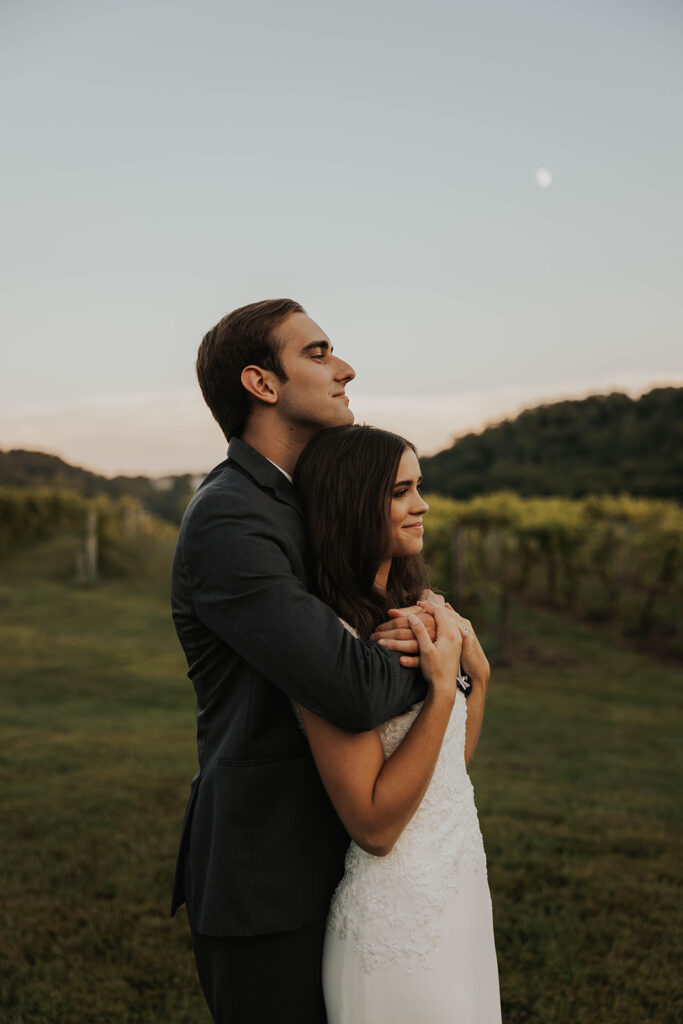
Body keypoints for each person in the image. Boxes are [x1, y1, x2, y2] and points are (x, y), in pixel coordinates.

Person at [170, 299, 433, 1024]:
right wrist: (438, 652)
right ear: (261, 384)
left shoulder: (301, 505)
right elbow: (348, 688)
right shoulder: (231, 516)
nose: (344, 369)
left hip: (346, 862)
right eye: (317, 354)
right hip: (267, 875)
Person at [293, 424, 502, 1023]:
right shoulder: (329, 640)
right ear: (355, 504)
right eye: (401, 491)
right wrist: (440, 690)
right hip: (397, 919)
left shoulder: (415, 606)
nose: (422, 505)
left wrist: (476, 678)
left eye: (420, 486)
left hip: (457, 888)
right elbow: (376, 826)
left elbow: (443, 775)